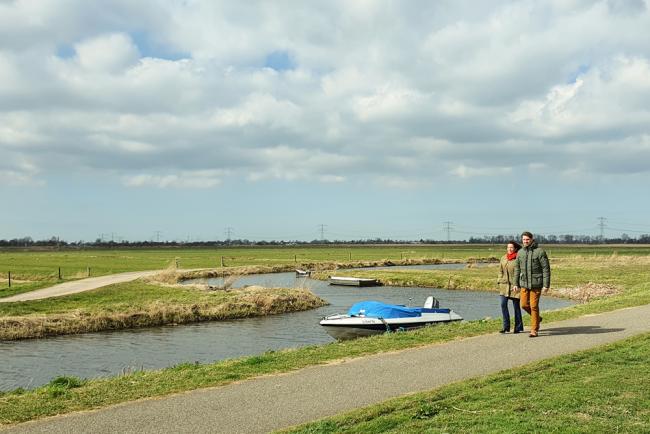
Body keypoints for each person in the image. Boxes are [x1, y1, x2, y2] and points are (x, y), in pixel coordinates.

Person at [512, 231, 551, 338]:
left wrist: (546, 285)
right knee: (524, 305)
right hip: (524, 283)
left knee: (534, 306)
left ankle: (534, 329)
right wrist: (515, 283)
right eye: (524, 240)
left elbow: (546, 269)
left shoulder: (540, 252)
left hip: (536, 284)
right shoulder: (520, 253)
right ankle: (537, 318)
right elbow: (517, 269)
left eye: (527, 239)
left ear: (532, 239)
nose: (525, 241)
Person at [497, 241, 523, 333]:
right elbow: (500, 270)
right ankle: (506, 327)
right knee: (503, 304)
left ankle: (518, 327)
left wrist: (517, 283)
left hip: (514, 286)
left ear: (515, 248)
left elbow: (520, 272)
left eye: (511, 247)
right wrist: (499, 279)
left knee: (516, 307)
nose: (509, 249)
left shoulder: (518, 258)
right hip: (504, 285)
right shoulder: (503, 258)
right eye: (508, 247)